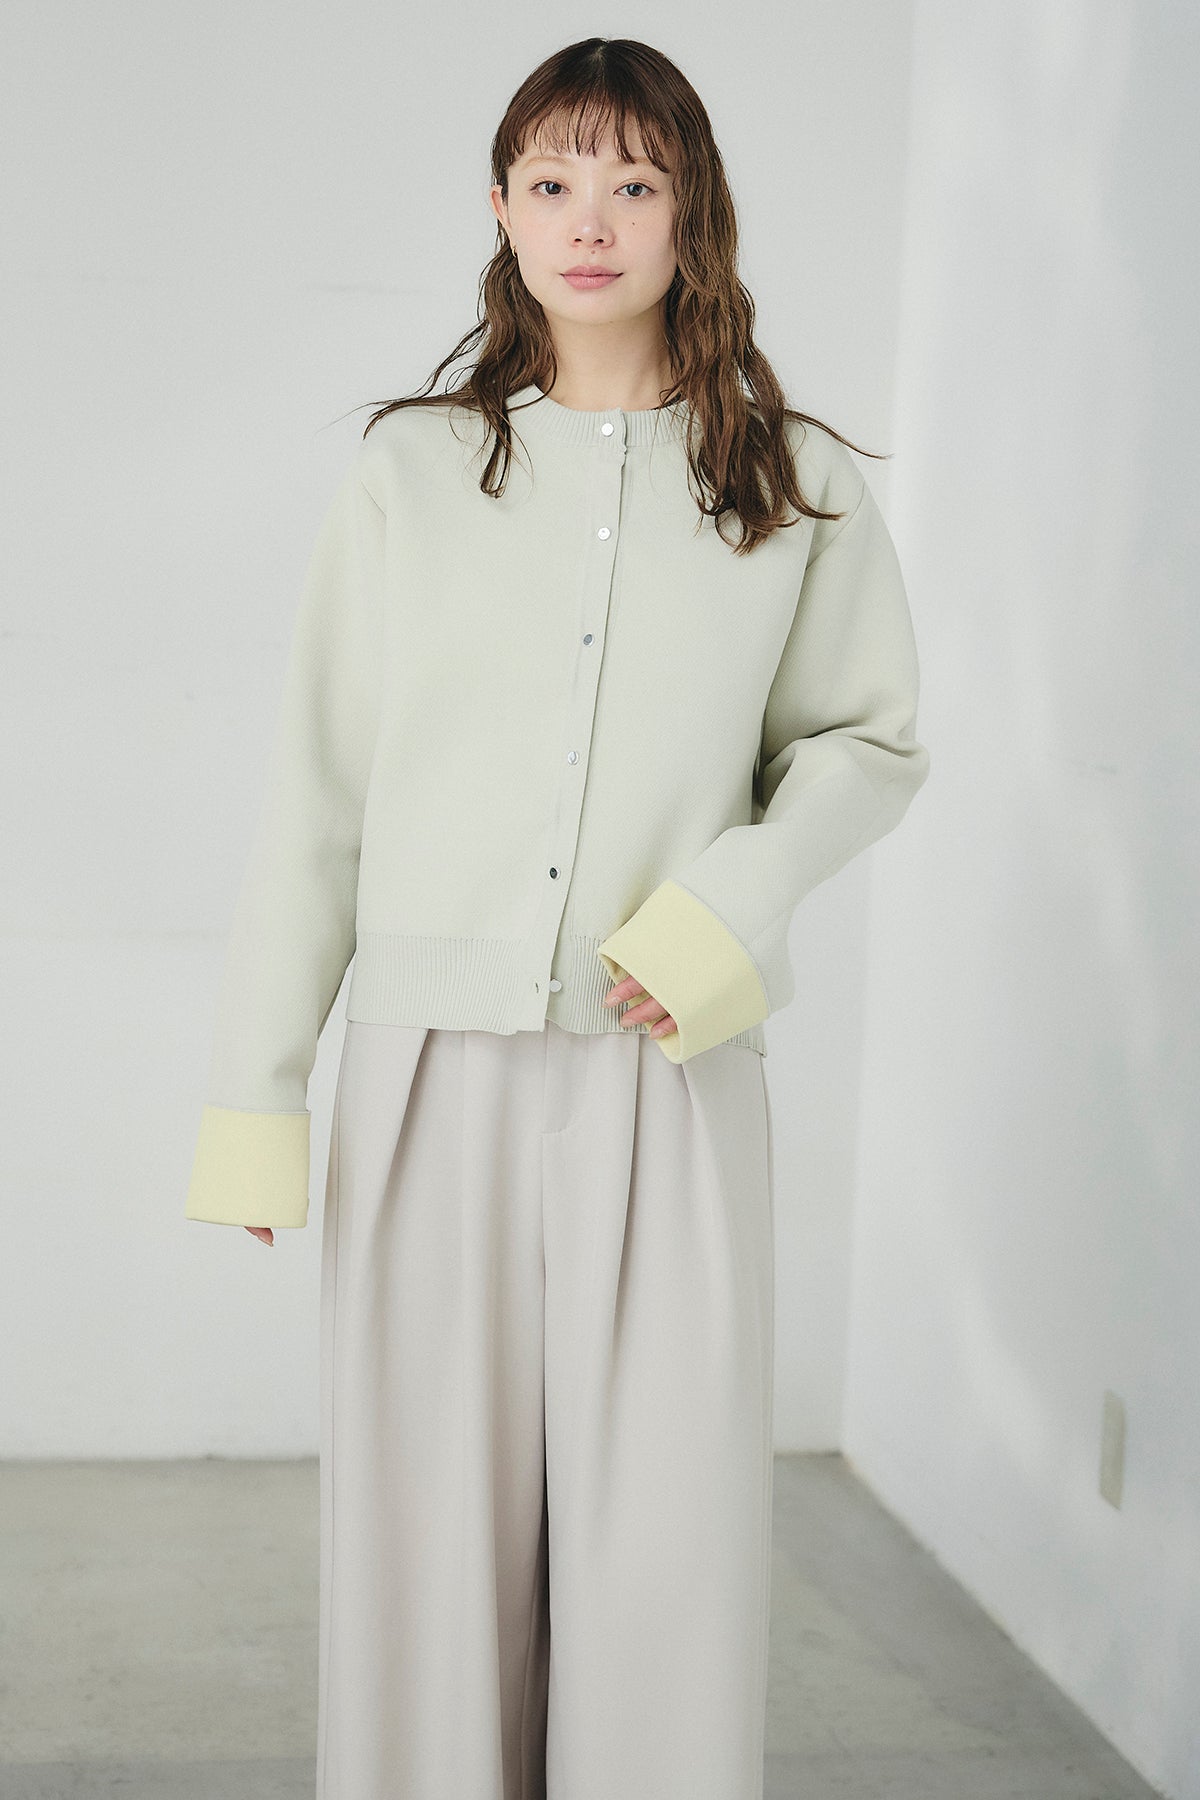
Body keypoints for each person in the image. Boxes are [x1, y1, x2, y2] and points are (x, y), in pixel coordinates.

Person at [184, 34, 930, 1800]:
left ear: (692, 212)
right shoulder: (414, 475)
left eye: (633, 183)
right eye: (552, 181)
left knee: (663, 1545)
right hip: (427, 1077)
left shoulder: (797, 483)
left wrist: (723, 919)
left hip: (669, 1067)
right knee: (423, 1550)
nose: (590, 221)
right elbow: (318, 797)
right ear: (502, 209)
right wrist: (261, 1094)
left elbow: (867, 746)